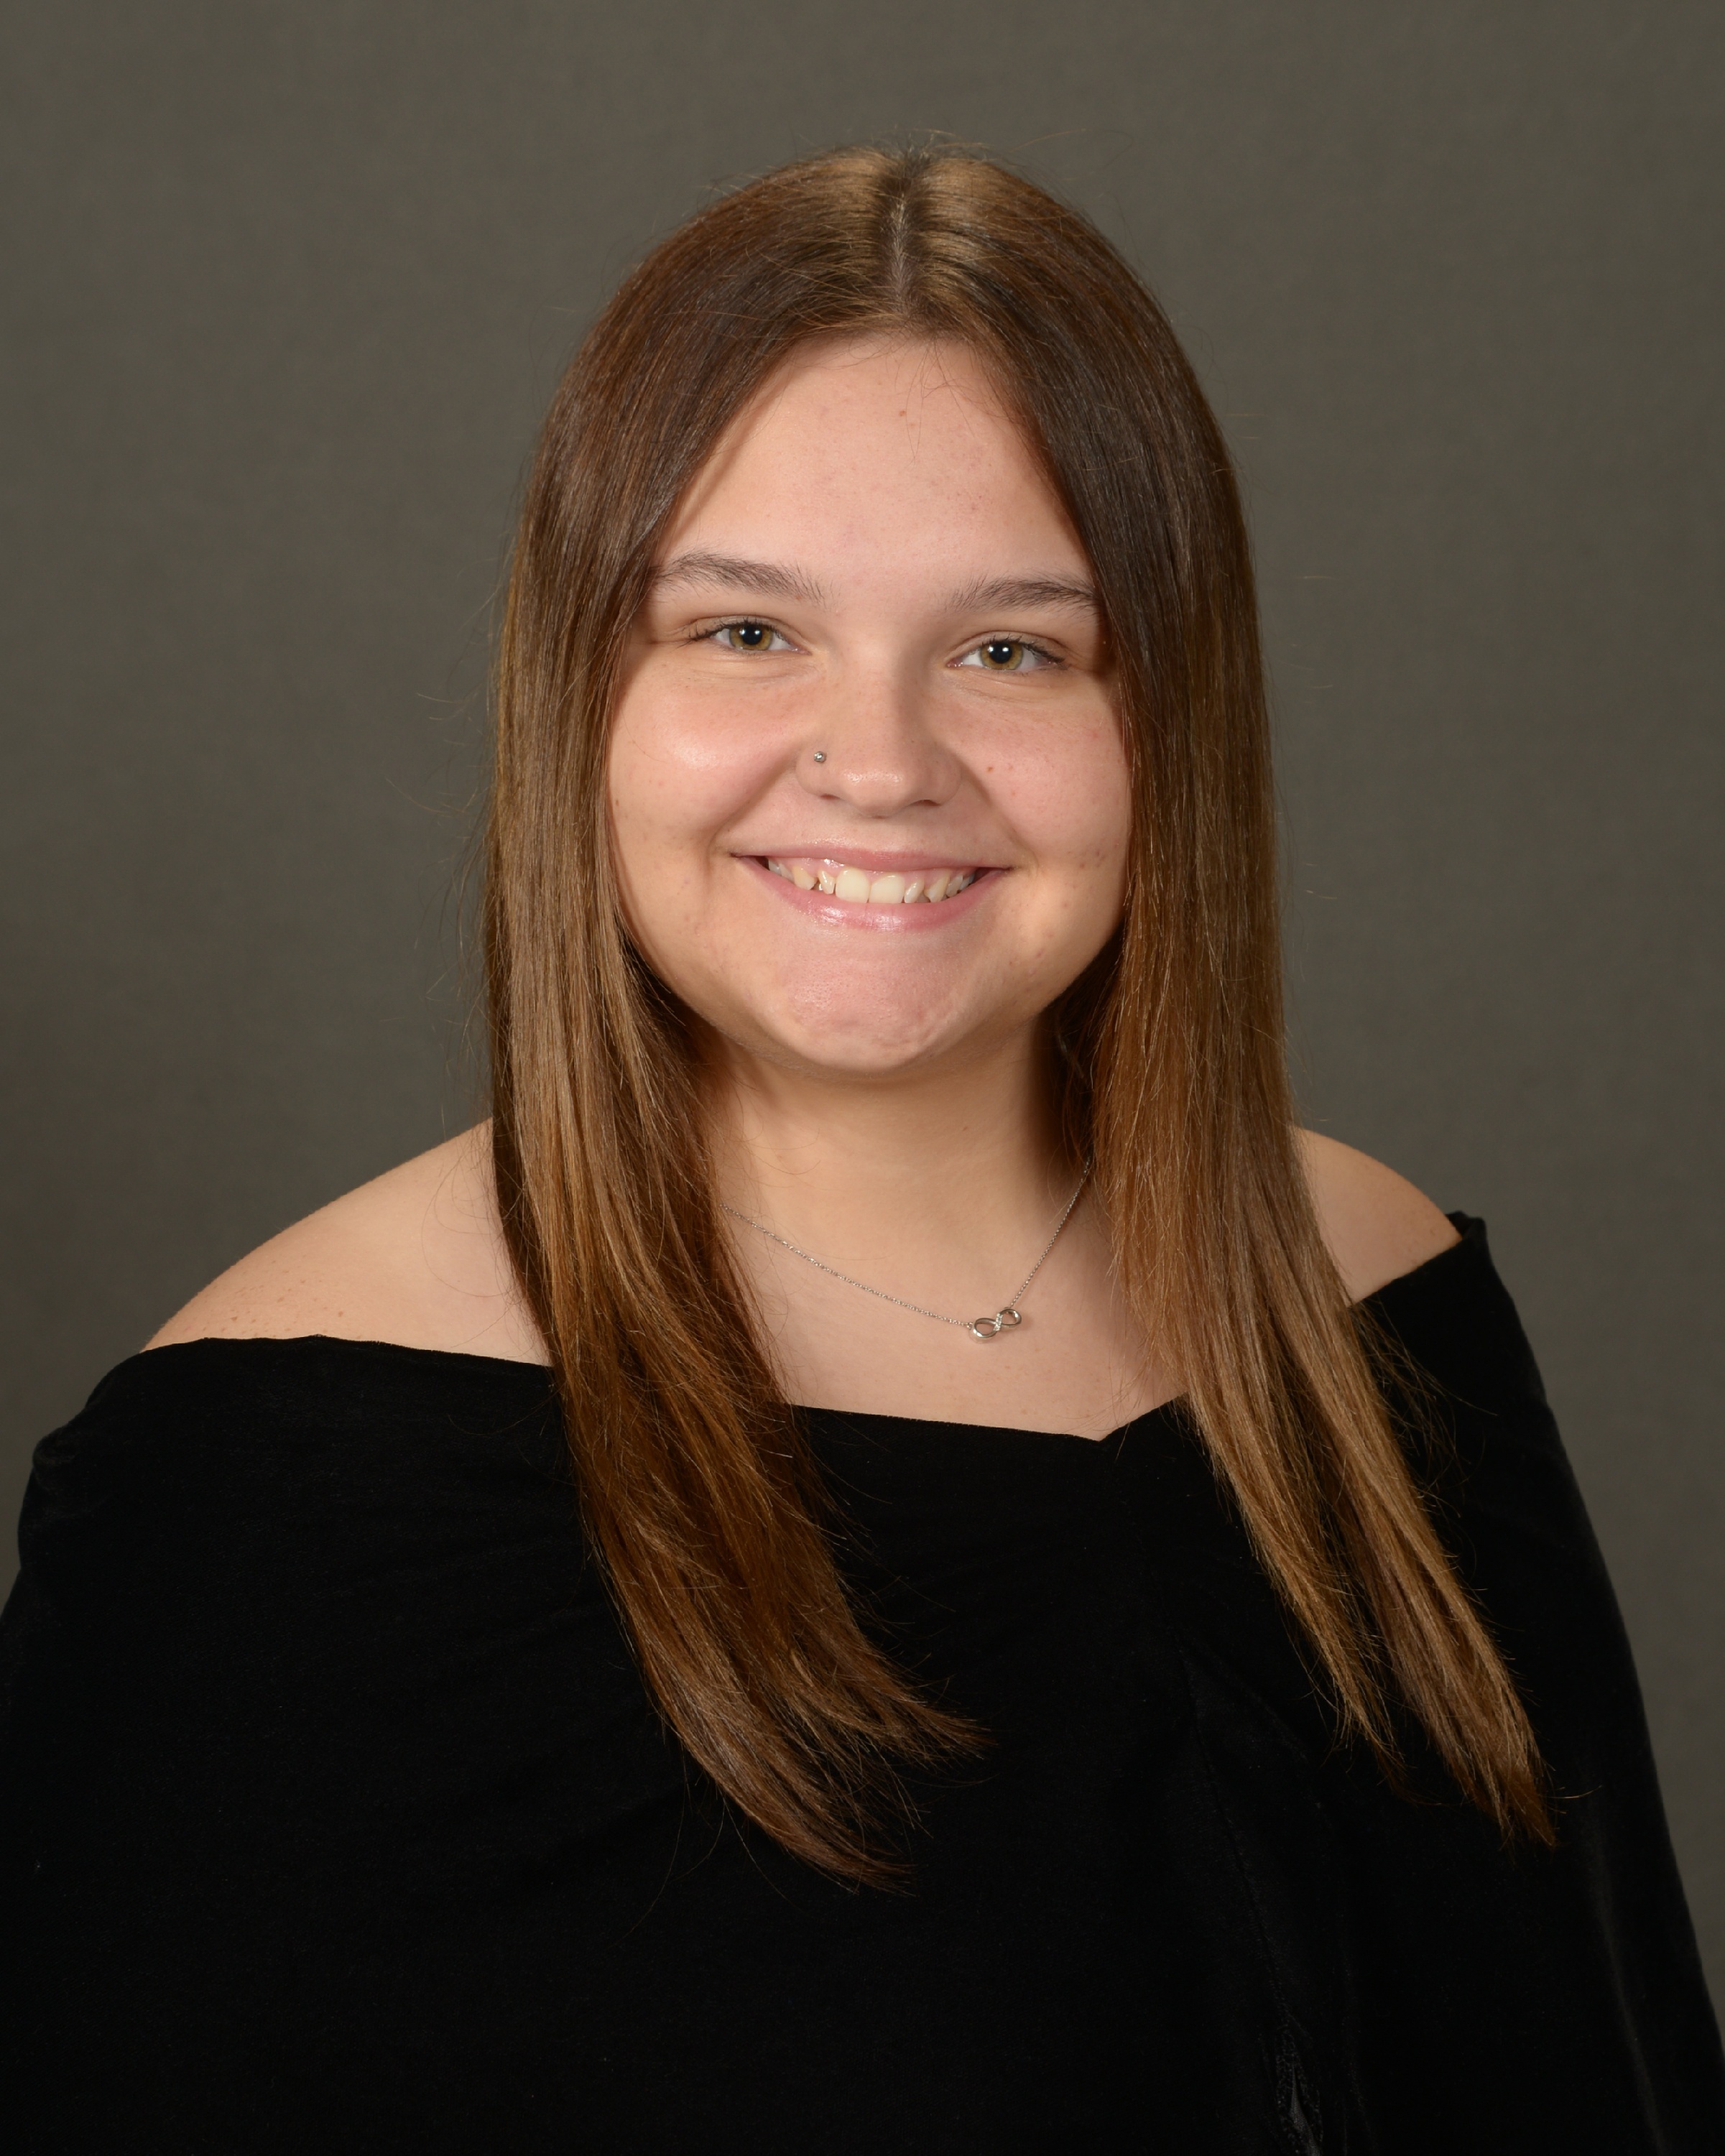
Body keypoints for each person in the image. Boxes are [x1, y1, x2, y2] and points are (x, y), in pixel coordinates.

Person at [1, 144, 1719, 2155]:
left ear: (1165, 718)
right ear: (581, 693)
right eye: (745, 632)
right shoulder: (260, 1487)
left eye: (1012, 648)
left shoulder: (1368, 1292)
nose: (883, 763)